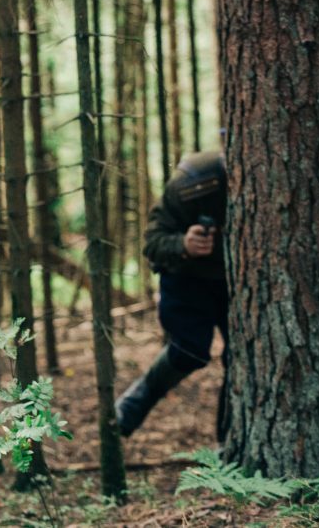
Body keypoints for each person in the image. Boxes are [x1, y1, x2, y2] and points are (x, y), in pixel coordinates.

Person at [116, 150, 229, 439]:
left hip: (238, 285)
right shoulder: (195, 178)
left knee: (243, 359)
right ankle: (131, 407)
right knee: (189, 351)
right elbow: (153, 242)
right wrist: (183, 244)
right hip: (188, 279)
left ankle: (230, 445)